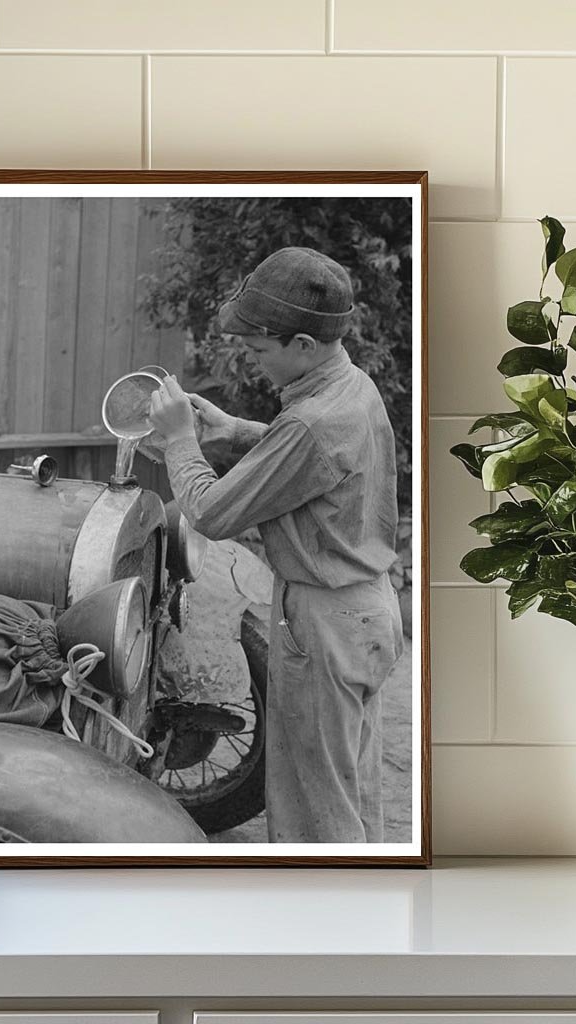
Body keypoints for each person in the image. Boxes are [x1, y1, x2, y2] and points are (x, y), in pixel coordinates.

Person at [148, 246, 403, 843]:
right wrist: (234, 431)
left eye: (261, 351)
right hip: (365, 610)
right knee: (349, 793)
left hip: (323, 627)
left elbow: (210, 513)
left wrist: (182, 442)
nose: (255, 363)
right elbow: (315, 459)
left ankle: (321, 925)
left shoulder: (310, 424)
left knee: (316, 811)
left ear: (304, 346)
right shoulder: (351, 387)